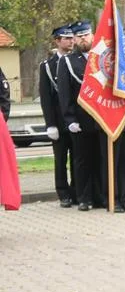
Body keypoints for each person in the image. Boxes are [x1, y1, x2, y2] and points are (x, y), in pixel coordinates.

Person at [58, 20, 105, 211]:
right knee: (82, 160)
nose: (83, 38)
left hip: (101, 118)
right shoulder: (67, 62)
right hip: (80, 119)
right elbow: (65, 94)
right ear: (75, 40)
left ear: (92, 35)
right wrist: (69, 119)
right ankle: (84, 198)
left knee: (101, 158)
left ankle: (101, 196)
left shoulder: (102, 58)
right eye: (78, 36)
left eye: (86, 34)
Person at [40, 25, 77, 207]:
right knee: (60, 159)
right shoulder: (47, 66)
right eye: (66, 38)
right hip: (58, 121)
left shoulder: (77, 61)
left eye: (72, 38)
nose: (70, 41)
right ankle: (63, 193)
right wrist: (50, 124)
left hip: (75, 121)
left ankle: (77, 191)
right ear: (57, 41)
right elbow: (46, 98)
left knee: (78, 159)